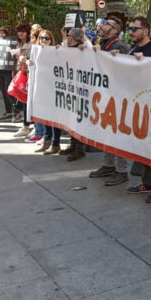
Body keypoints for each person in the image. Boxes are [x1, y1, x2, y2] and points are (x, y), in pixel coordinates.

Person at [124, 16, 151, 203]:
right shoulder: (135, 48)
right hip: (138, 104)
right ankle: (146, 183)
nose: (131, 32)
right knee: (143, 146)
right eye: (130, 28)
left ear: (145, 31)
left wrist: (147, 61)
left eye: (134, 28)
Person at [89, 18, 132, 184]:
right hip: (105, 96)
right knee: (106, 131)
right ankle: (108, 165)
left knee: (118, 133)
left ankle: (121, 170)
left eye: (106, 23)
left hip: (118, 97)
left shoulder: (118, 46)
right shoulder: (104, 44)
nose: (101, 25)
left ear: (114, 30)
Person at [58, 28, 88, 162]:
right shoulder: (68, 48)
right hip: (70, 88)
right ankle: (73, 144)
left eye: (68, 35)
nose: (67, 37)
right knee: (70, 118)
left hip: (79, 90)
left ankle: (79, 149)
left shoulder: (81, 50)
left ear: (73, 37)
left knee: (78, 121)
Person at [31, 29, 62, 154]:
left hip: (53, 88)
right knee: (44, 115)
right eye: (42, 38)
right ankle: (46, 141)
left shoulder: (56, 51)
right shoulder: (36, 51)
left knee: (54, 117)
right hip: (41, 87)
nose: (44, 40)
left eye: (47, 38)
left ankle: (55, 143)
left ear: (51, 40)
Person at [0, 27, 15, 121]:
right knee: (3, 92)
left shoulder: (11, 44)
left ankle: (15, 111)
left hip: (8, 70)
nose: (0, 35)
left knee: (8, 90)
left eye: (3, 33)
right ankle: (8, 111)